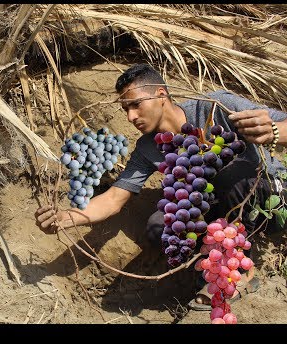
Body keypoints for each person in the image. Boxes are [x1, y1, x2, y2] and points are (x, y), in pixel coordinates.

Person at [34, 63, 287, 310]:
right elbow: (114, 199)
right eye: (125, 109)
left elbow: (282, 123)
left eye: (136, 105)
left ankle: (243, 272)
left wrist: (274, 131)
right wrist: (67, 218)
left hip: (269, 200)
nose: (131, 116)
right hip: (221, 208)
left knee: (228, 172)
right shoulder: (148, 147)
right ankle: (214, 267)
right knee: (161, 226)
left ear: (161, 95)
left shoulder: (215, 107)